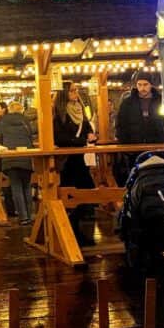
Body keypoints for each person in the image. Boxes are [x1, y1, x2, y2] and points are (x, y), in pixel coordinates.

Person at [53, 81, 96, 246]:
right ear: (64, 93)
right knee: (72, 189)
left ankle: (83, 221)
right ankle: (72, 224)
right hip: (67, 158)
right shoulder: (59, 114)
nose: (75, 93)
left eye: (76, 90)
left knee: (85, 187)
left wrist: (91, 136)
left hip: (79, 157)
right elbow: (58, 137)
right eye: (72, 91)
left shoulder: (80, 110)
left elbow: (87, 128)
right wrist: (78, 140)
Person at [0, 100, 35, 225]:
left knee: (16, 186)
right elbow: (31, 136)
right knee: (27, 186)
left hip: (10, 157)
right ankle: (29, 215)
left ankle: (23, 217)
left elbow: (1, 139)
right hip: (26, 156)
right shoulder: (25, 121)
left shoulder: (3, 121)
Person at [117, 73, 164, 146]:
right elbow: (121, 123)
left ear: (151, 85)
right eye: (139, 84)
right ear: (136, 85)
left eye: (145, 84)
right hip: (133, 145)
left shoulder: (161, 101)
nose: (142, 88)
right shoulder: (127, 103)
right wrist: (124, 142)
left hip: (157, 144)